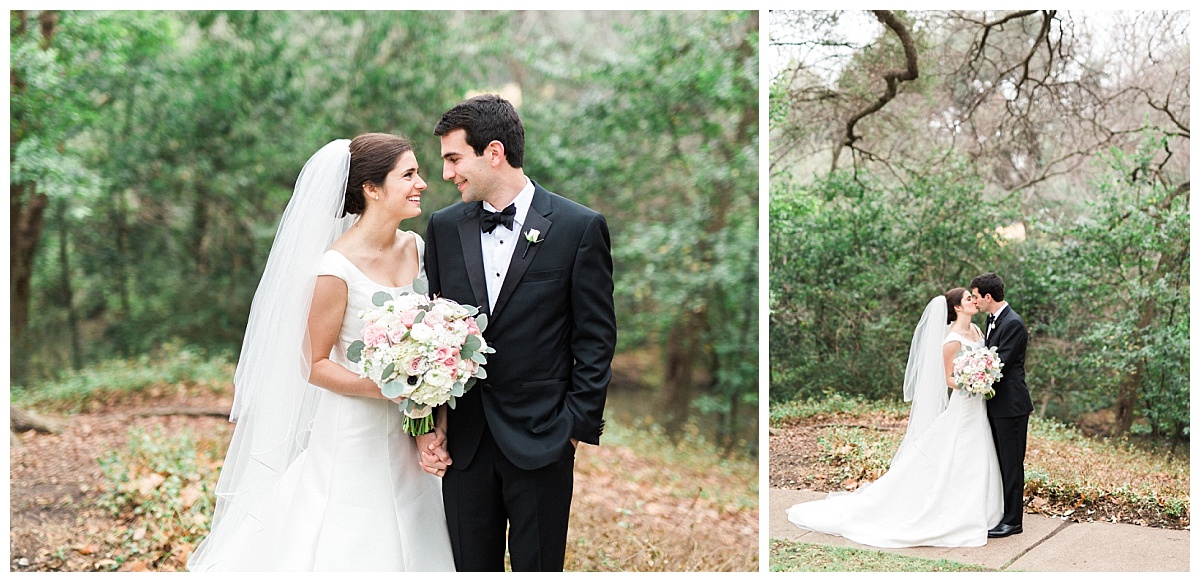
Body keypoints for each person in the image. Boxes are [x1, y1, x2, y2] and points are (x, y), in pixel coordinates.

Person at [187, 134, 455, 571]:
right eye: (408, 175)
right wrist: (383, 388)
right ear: (371, 189)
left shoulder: (416, 247)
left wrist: (426, 414)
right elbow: (313, 365)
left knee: (414, 526)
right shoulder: (335, 267)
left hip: (407, 428)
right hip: (354, 429)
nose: (421, 183)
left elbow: (426, 347)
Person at [419, 94, 617, 571]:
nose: (446, 174)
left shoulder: (579, 227)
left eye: (453, 158)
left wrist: (571, 429)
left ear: (493, 152)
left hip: (543, 437)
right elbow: (432, 333)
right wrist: (434, 424)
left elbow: (595, 339)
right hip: (465, 445)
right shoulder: (443, 229)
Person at [786, 288, 1003, 548]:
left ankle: (985, 510)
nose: (973, 301)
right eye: (968, 298)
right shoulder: (951, 341)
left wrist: (986, 373)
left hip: (978, 406)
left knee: (977, 453)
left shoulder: (978, 332)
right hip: (965, 402)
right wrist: (973, 380)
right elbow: (948, 379)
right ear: (957, 307)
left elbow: (985, 359)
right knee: (955, 452)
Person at [971, 272, 1032, 538]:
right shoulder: (992, 320)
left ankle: (1013, 521)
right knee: (1000, 462)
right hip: (996, 405)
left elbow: (999, 365)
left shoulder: (1013, 323)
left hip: (1012, 406)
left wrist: (971, 374)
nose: (974, 302)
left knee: (1012, 463)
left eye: (976, 297)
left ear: (988, 296)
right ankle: (1003, 514)